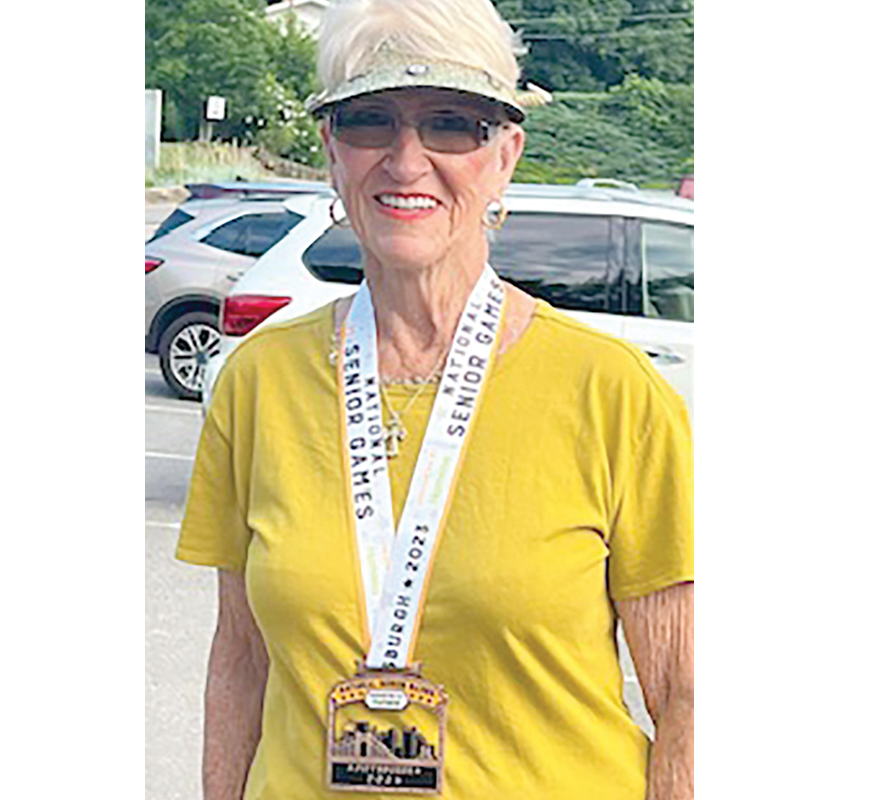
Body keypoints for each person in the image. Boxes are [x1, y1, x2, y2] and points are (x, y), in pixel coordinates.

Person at [176, 0, 693, 797]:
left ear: (506, 154)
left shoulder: (614, 393)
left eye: (452, 124)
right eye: (368, 121)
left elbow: (688, 701)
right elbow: (240, 662)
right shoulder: (259, 382)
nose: (406, 159)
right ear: (331, 151)